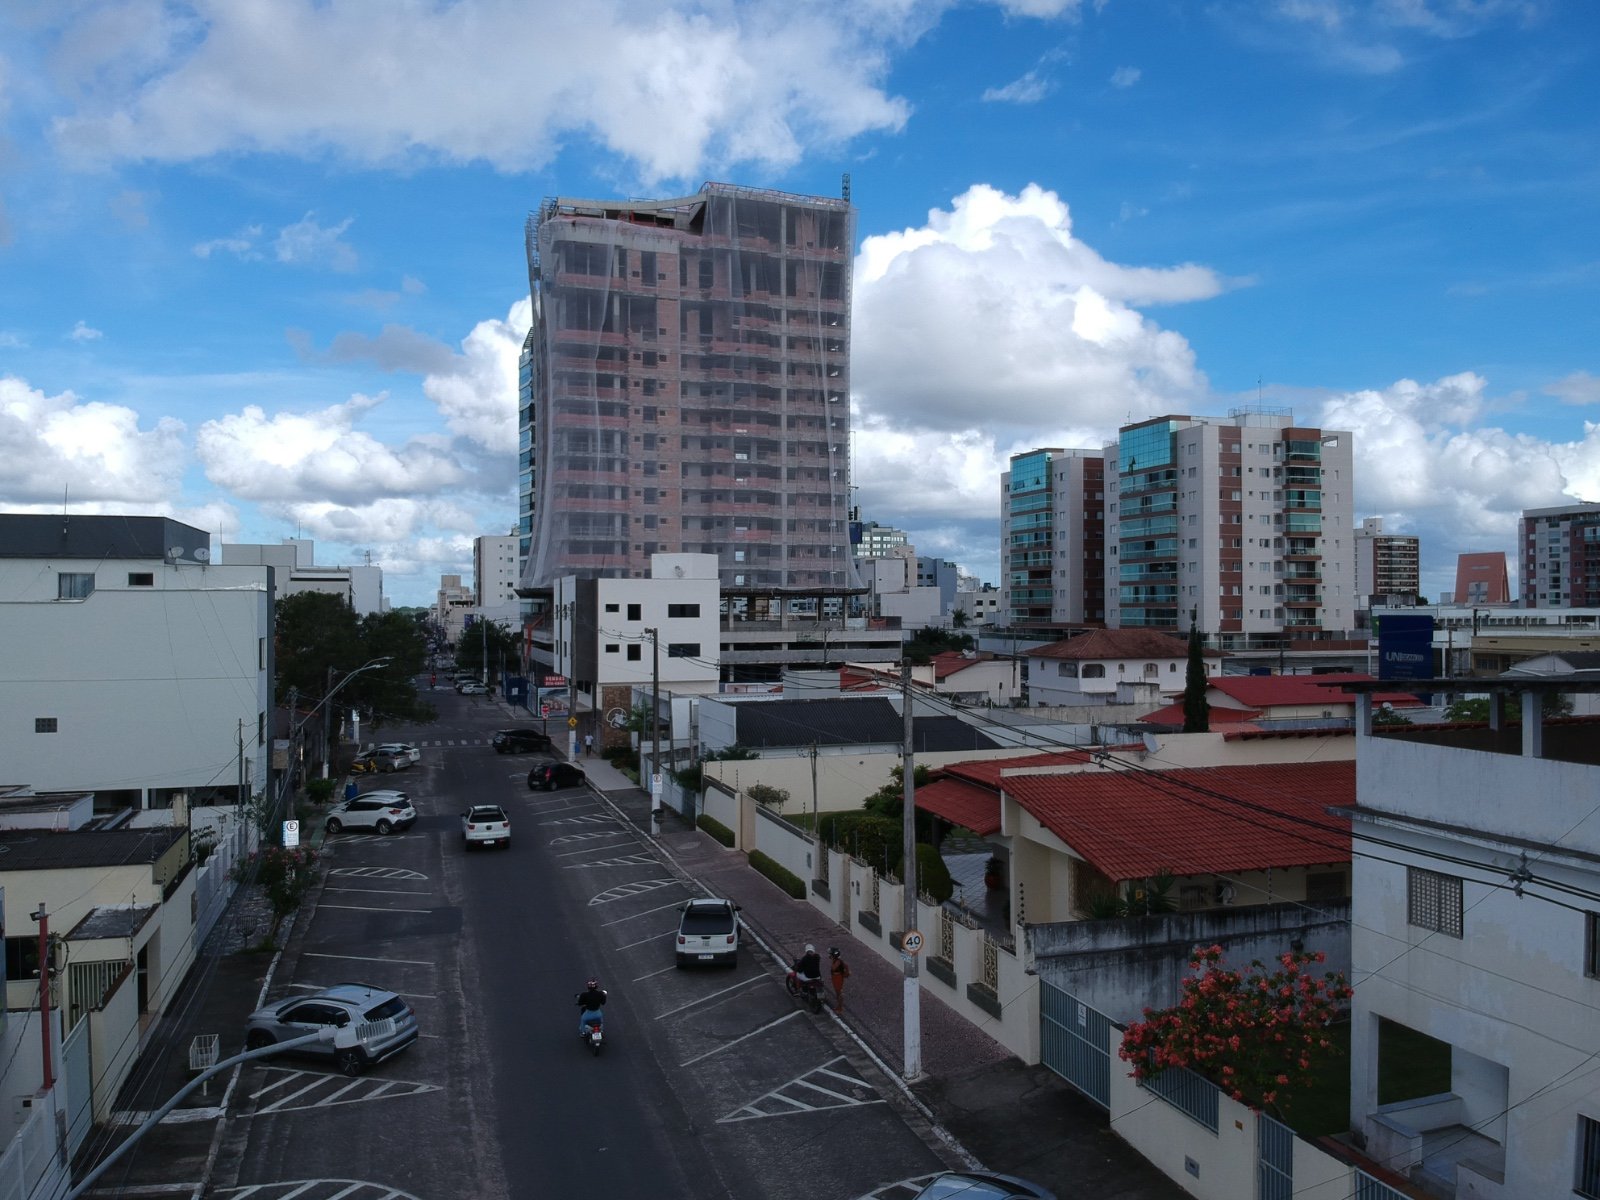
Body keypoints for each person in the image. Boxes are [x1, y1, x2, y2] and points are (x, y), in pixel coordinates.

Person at [829, 947, 851, 1013]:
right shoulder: (837, 960)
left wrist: (846, 973)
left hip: (838, 978)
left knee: (839, 992)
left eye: (831, 954)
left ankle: (840, 1008)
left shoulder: (838, 962)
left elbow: (833, 968)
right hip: (835, 977)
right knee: (837, 992)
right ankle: (838, 1005)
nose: (829, 956)